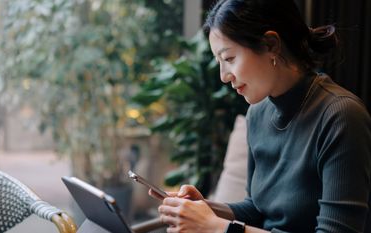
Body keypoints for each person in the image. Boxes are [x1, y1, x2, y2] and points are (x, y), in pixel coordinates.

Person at [149, 0, 371, 232]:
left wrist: (218, 228)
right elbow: (257, 209)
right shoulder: (257, 114)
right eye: (219, 62)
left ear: (271, 44)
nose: (224, 76)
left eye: (229, 59)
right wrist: (205, 210)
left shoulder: (341, 116)